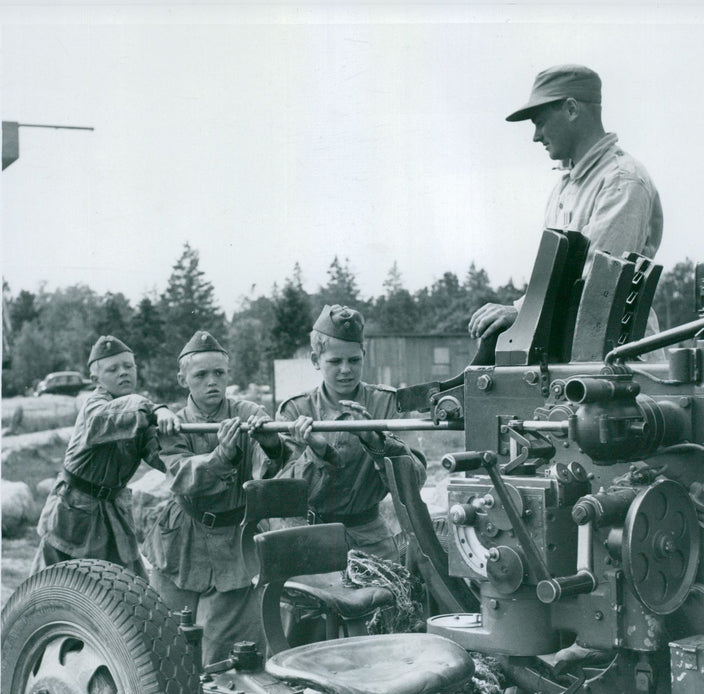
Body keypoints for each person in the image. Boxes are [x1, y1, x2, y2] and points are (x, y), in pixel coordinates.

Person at [468, 63, 664, 343]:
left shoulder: (622, 180)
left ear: (572, 110)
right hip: (575, 356)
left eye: (539, 121)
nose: (535, 136)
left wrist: (519, 312)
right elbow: (553, 279)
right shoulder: (566, 187)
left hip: (621, 364)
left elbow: (599, 284)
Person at [143, 331, 285, 666]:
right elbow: (181, 477)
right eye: (201, 375)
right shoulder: (173, 424)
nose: (212, 383)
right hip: (183, 537)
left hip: (237, 539)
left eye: (219, 373)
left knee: (231, 649)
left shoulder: (247, 411)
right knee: (168, 639)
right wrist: (222, 456)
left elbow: (276, 466)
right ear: (183, 380)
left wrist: (271, 442)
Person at [276, 304, 426, 563]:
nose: (346, 369)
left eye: (354, 360)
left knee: (386, 599)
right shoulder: (296, 410)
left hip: (371, 542)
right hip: (308, 539)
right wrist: (317, 452)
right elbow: (286, 495)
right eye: (335, 361)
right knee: (308, 603)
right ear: (315, 360)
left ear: (364, 356)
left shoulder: (388, 404)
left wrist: (375, 442)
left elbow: (414, 481)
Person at [32, 334, 179, 577]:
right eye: (113, 369)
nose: (123, 372)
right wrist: (157, 409)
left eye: (128, 366)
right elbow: (112, 415)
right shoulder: (95, 406)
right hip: (73, 513)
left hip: (114, 513)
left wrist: (209, 451)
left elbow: (165, 458)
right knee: (50, 594)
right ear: (95, 379)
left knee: (131, 591)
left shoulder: (138, 414)